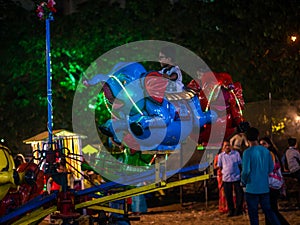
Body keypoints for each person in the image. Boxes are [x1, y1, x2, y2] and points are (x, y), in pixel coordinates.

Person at [242, 127, 280, 225]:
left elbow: (245, 171)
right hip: (264, 187)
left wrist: (243, 181)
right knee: (269, 211)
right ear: (258, 136)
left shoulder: (247, 153)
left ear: (247, 138)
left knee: (253, 214)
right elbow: (271, 168)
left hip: (251, 188)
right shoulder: (266, 151)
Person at [259, 136, 290, 225]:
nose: (262, 146)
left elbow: (268, 168)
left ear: (269, 144)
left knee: (271, 210)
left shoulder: (269, 154)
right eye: (260, 144)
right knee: (270, 209)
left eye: (264, 143)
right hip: (271, 184)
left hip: (271, 185)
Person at [217, 140, 244, 217]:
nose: (227, 147)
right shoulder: (221, 156)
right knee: (228, 196)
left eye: (228, 145)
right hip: (226, 178)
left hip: (236, 177)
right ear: (223, 147)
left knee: (239, 194)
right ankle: (231, 210)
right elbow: (220, 166)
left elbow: (240, 164)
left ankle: (238, 210)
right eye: (226, 146)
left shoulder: (236, 154)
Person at [213, 147, 228, 213]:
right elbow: (215, 166)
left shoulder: (227, 156)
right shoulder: (218, 156)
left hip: (227, 175)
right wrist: (220, 166)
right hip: (220, 175)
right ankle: (222, 207)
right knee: (222, 192)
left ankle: (227, 206)